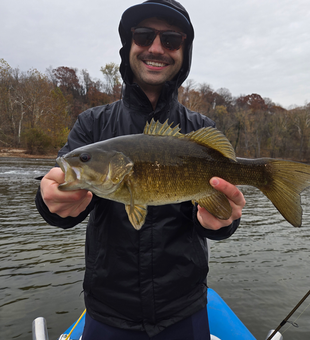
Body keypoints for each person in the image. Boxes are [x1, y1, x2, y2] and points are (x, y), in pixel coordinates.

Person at [36, 1, 246, 339]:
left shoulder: (199, 127)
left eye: (172, 40)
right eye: (144, 35)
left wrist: (222, 223)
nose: (156, 48)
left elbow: (217, 217)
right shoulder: (92, 125)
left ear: (184, 52)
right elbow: (63, 201)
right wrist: (50, 202)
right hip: (108, 311)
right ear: (128, 45)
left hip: (184, 308)